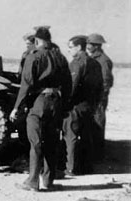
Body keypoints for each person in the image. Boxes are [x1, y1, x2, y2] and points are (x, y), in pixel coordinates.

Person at [9, 26, 72, 191]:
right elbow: (68, 84)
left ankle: (32, 182)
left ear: (36, 40)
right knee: (52, 142)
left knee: (35, 142)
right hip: (56, 103)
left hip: (39, 103)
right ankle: (49, 180)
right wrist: (64, 104)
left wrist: (16, 107)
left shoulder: (34, 57)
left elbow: (26, 85)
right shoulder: (61, 58)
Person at [62, 36, 103, 175]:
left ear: (79, 47)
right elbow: (100, 87)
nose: (68, 50)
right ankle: (87, 167)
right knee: (86, 137)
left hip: (75, 106)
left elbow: (71, 86)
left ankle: (71, 167)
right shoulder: (95, 63)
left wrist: (65, 103)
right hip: (88, 106)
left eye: (70, 47)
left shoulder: (77, 63)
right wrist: (94, 104)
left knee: (71, 137)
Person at [86, 33, 113, 160]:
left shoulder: (103, 60)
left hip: (98, 98)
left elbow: (106, 81)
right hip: (92, 97)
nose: (87, 46)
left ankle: (98, 155)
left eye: (89, 44)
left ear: (96, 46)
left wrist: (100, 98)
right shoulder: (93, 58)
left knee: (98, 124)